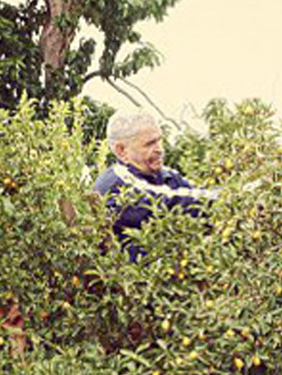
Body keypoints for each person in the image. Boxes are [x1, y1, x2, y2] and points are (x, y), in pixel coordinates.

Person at [93, 110, 218, 261]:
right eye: (149, 144)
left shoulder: (166, 175)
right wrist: (232, 197)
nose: (160, 149)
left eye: (159, 140)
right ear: (121, 150)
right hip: (137, 280)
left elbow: (198, 194)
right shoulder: (116, 184)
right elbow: (169, 202)